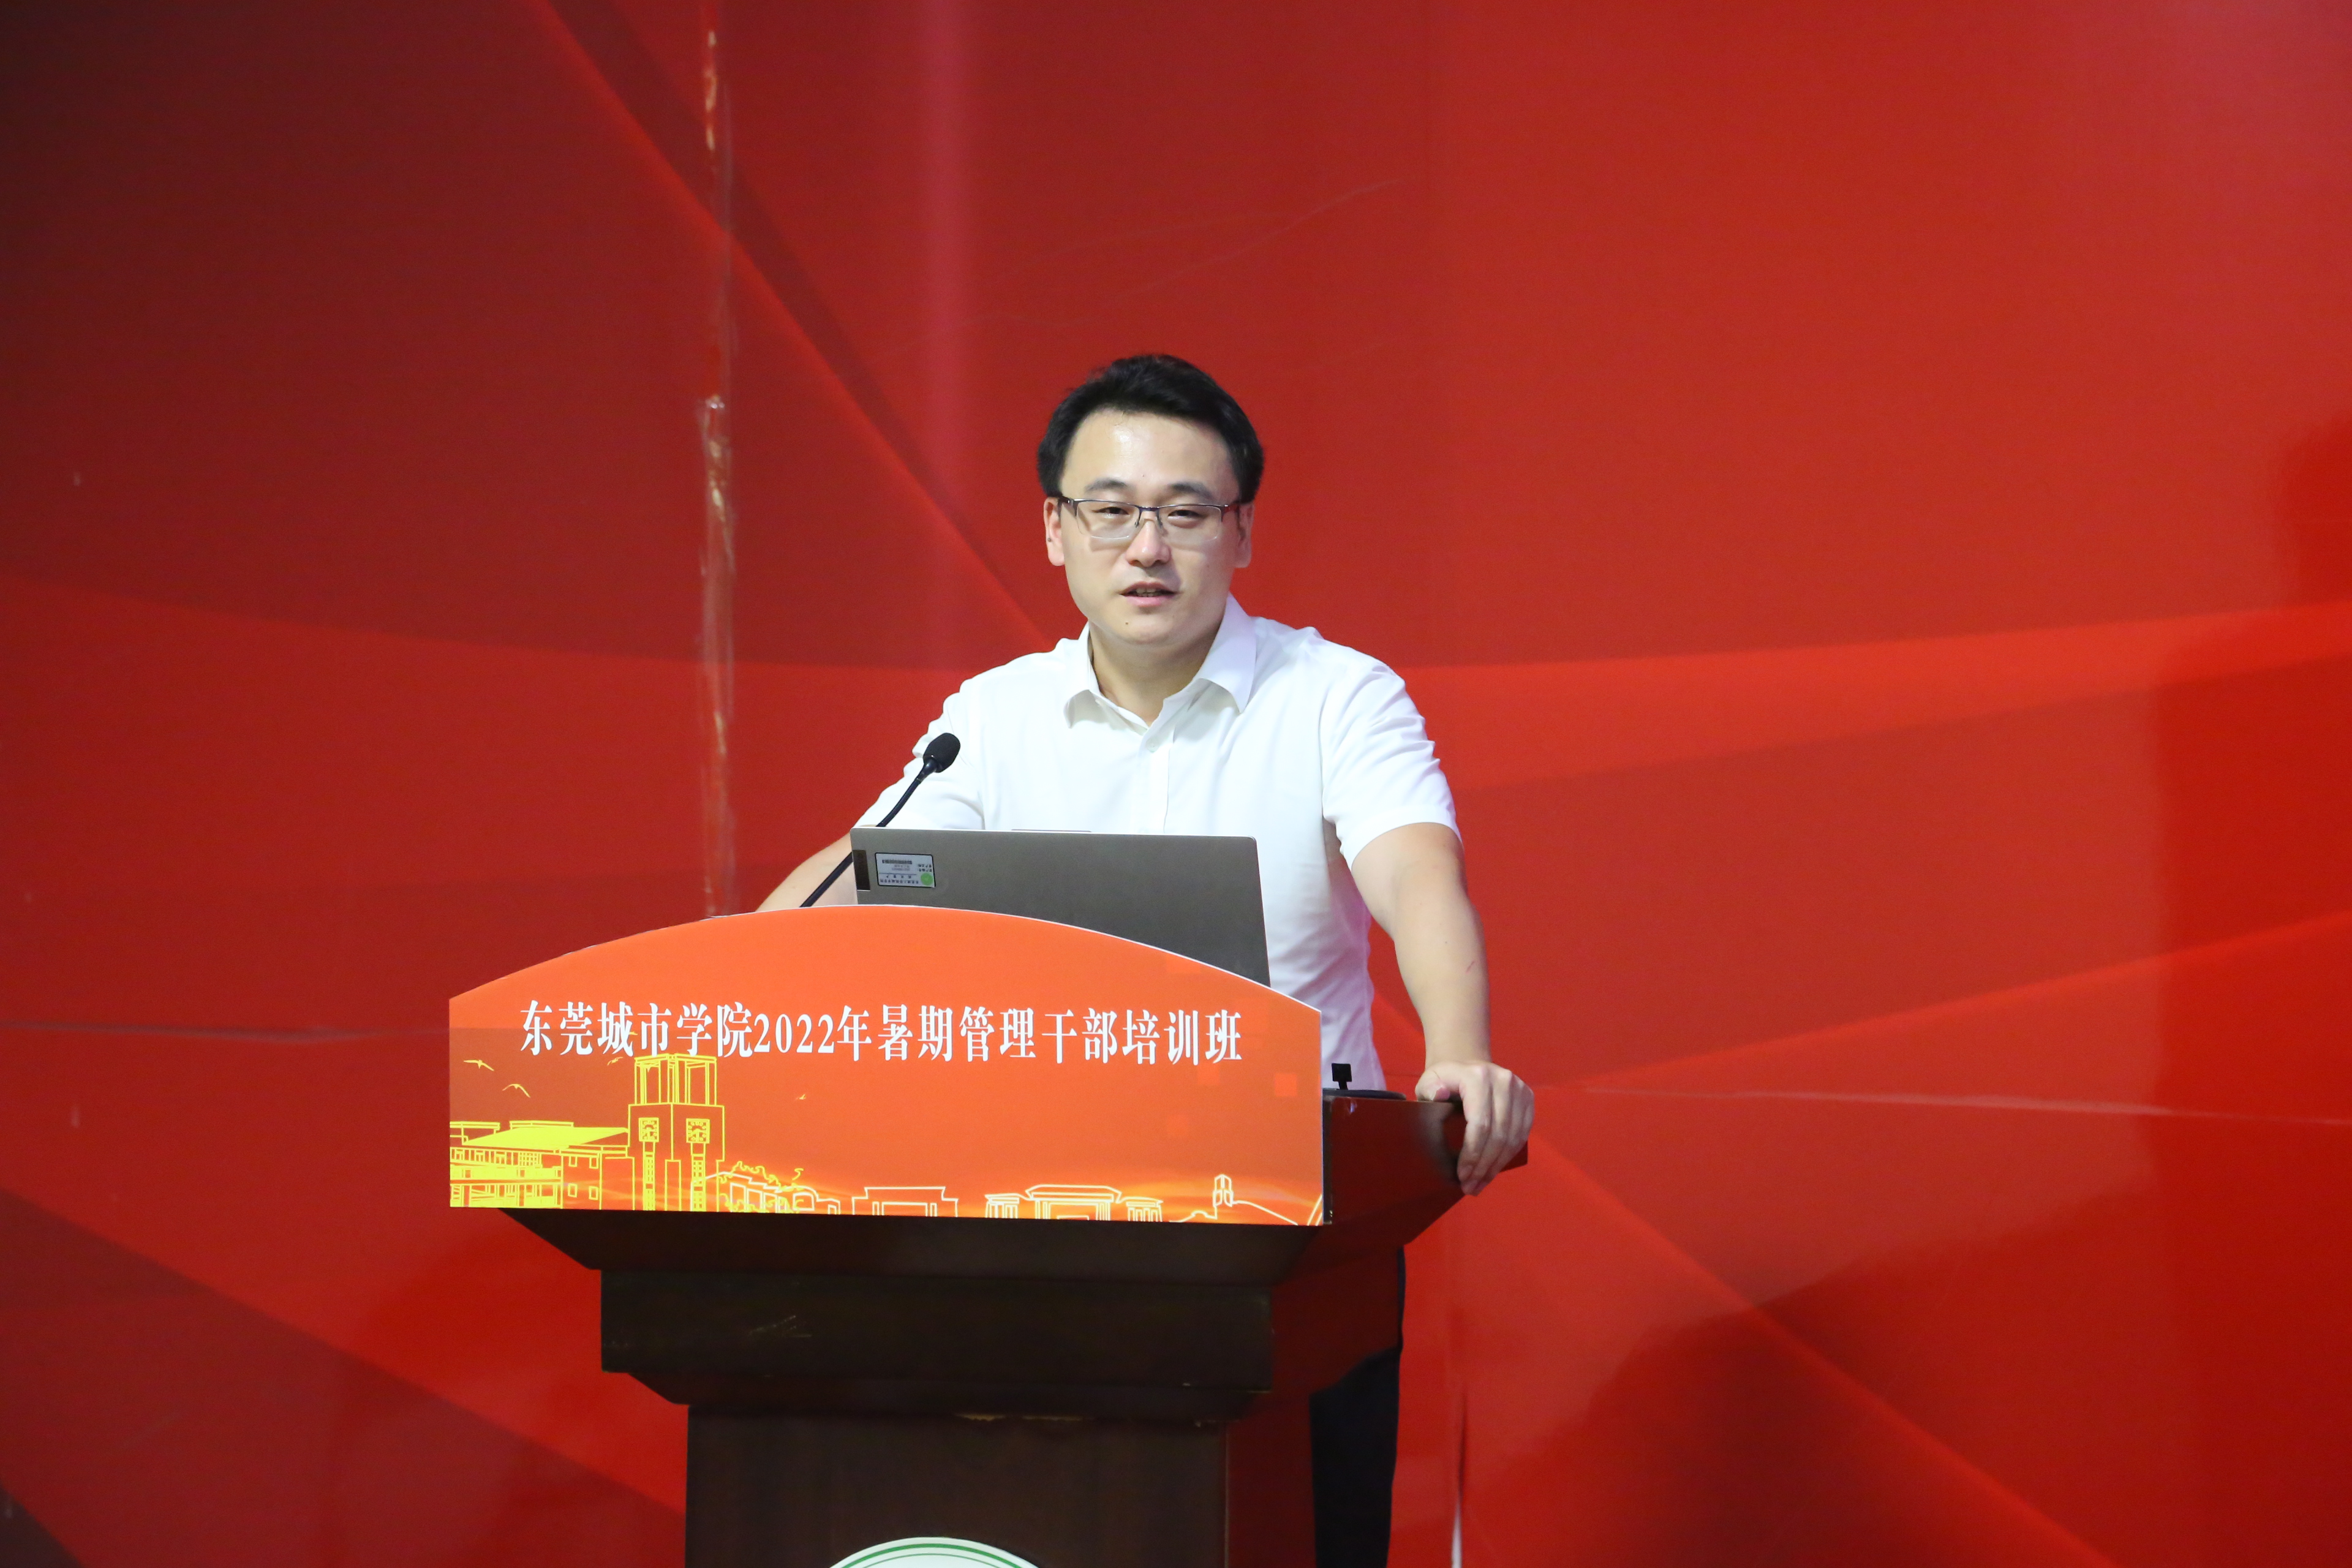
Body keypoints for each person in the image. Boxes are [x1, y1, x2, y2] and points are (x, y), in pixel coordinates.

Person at [761, 353, 1534, 1566]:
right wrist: (743, 978)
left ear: (1242, 531)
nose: (1147, 549)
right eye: (1111, 511)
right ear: (1056, 532)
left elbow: (1415, 875)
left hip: (1294, 1219)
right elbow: (865, 876)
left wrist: (1461, 1049)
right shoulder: (994, 719)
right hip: (1047, 1216)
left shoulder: (1334, 697)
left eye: (1186, 512)